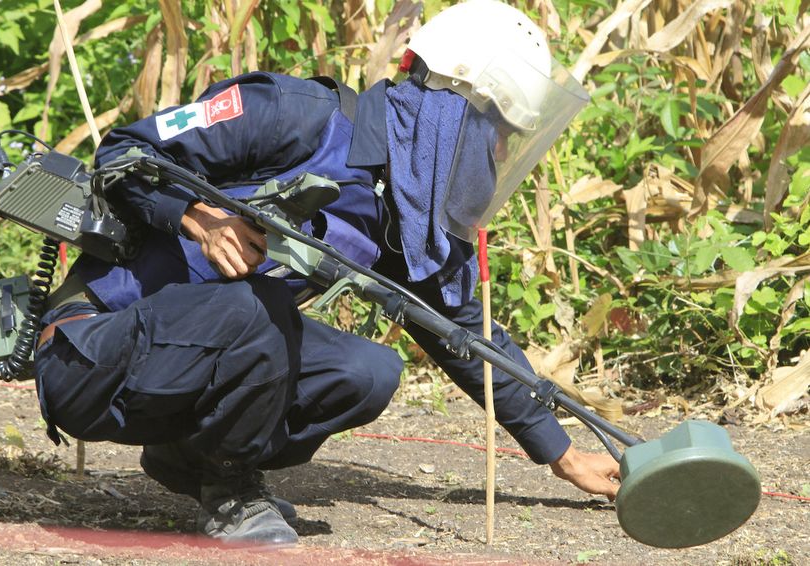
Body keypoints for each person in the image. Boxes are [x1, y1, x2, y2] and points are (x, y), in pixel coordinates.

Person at [34, 0, 619, 547]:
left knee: (367, 371)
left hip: (192, 352)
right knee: (255, 306)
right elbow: (122, 151)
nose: (496, 153)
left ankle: (190, 459)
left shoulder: (405, 210)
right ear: (449, 106)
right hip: (91, 349)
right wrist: (197, 216)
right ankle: (230, 494)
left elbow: (467, 336)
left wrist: (562, 454)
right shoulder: (294, 115)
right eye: (495, 130)